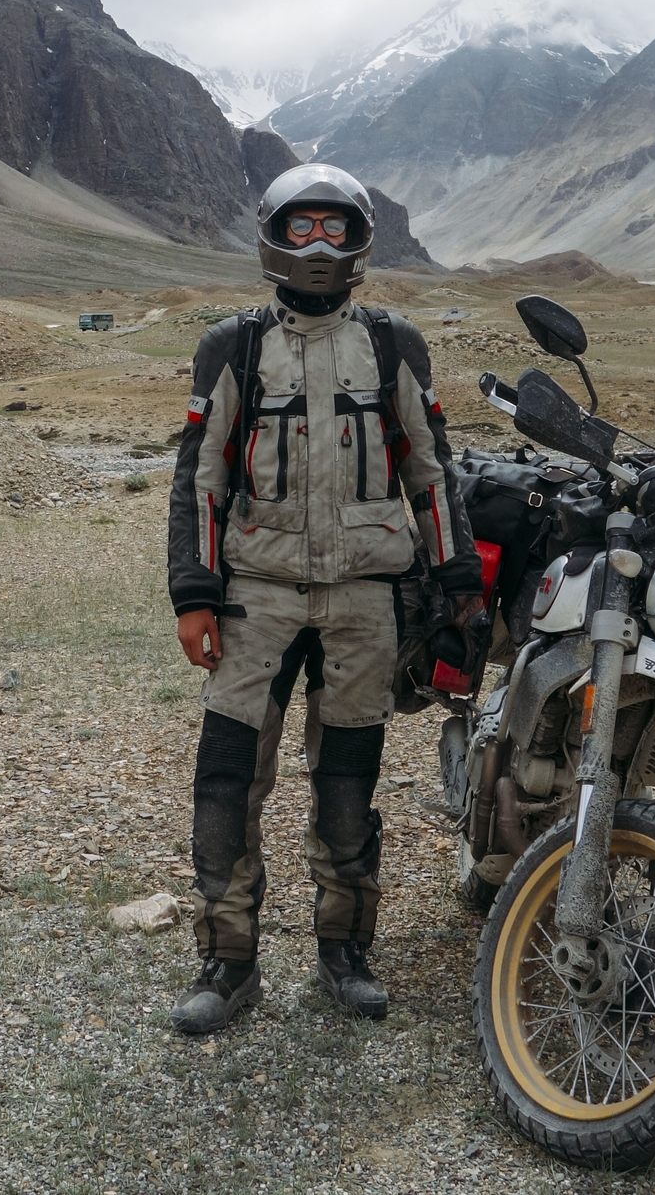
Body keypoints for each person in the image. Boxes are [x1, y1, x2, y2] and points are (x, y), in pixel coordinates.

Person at [165, 164, 484, 1034]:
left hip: (364, 603)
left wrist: (460, 586)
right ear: (272, 236)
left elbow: (431, 472)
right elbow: (200, 479)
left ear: (359, 240)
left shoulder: (393, 344)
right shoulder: (231, 347)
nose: (317, 245)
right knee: (226, 781)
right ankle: (228, 962)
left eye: (334, 228)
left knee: (348, 783)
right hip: (254, 600)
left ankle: (345, 952)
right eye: (301, 227)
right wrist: (193, 594)